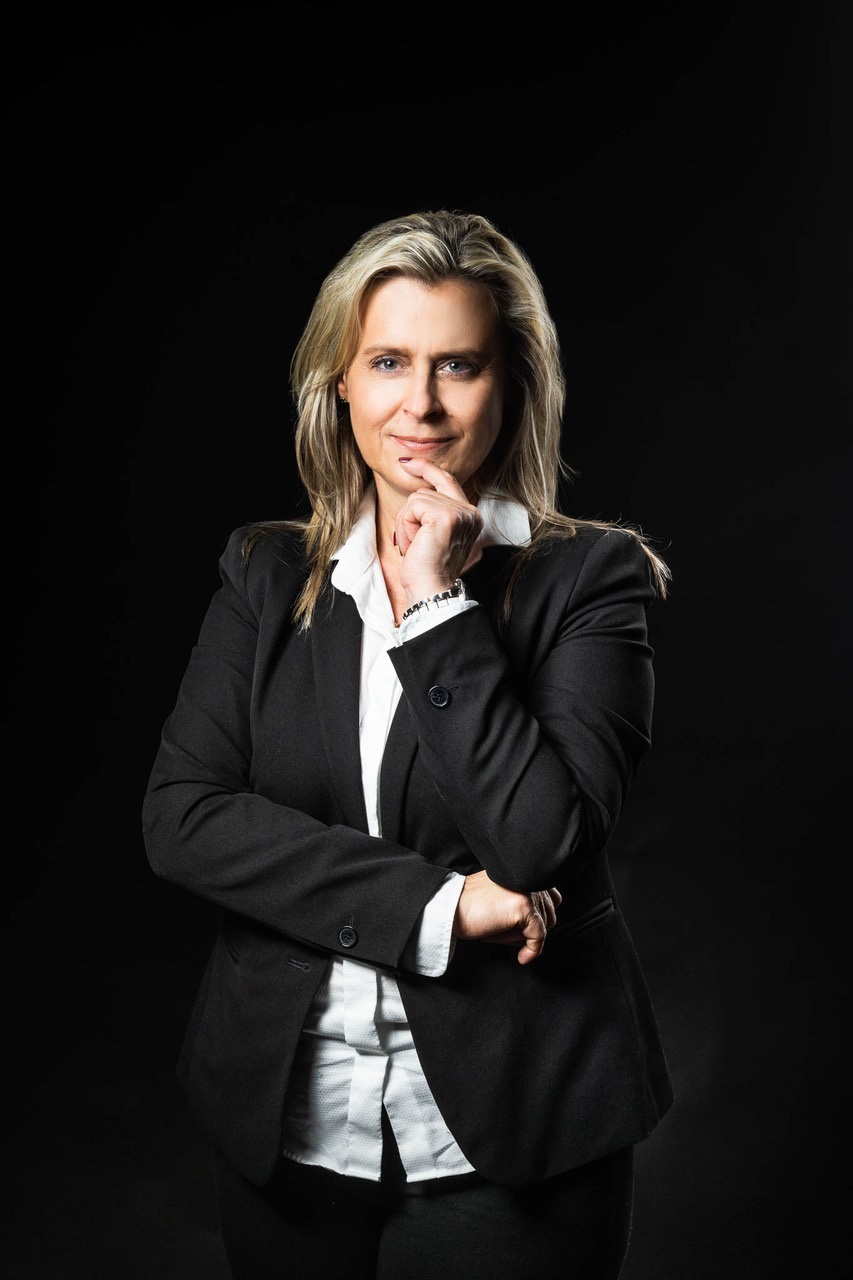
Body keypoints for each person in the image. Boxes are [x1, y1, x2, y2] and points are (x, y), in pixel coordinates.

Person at [142, 208, 674, 1280]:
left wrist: (435, 602)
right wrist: (441, 907)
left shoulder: (589, 581)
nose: (419, 404)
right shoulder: (264, 573)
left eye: (457, 366)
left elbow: (540, 842)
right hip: (287, 1121)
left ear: (511, 385)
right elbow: (183, 817)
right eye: (387, 361)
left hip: (513, 1127)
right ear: (339, 383)